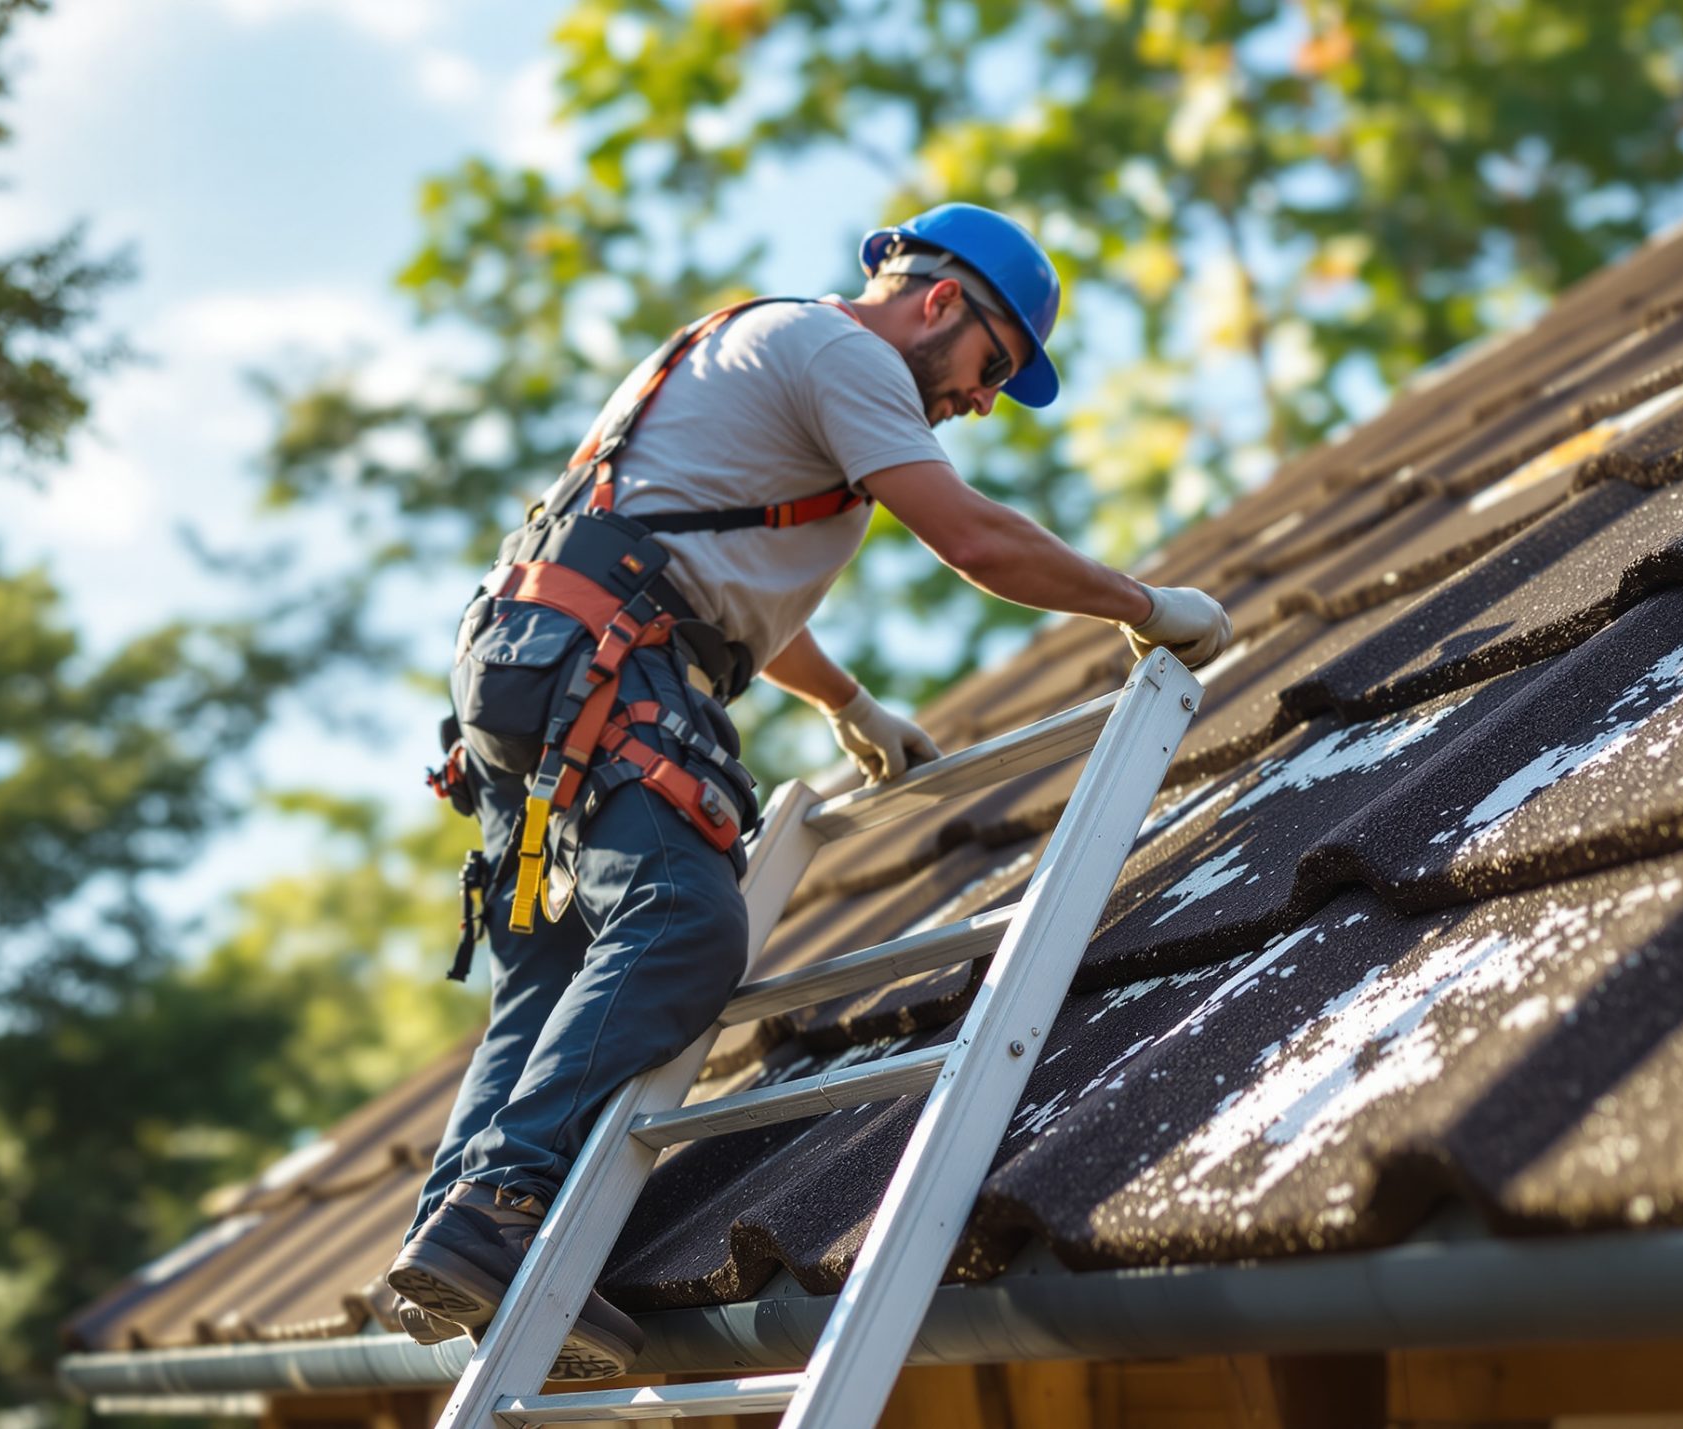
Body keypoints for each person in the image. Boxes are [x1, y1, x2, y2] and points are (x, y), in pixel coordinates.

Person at [381, 203, 1233, 1380]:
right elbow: (975, 543)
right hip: (605, 660)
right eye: (994, 367)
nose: (981, 402)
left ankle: (463, 1239)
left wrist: (842, 702)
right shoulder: (843, 354)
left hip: (536, 654)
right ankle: (502, 1205)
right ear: (939, 302)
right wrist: (1147, 606)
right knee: (679, 921)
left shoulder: (751, 344)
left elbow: (700, 557)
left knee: (554, 962)